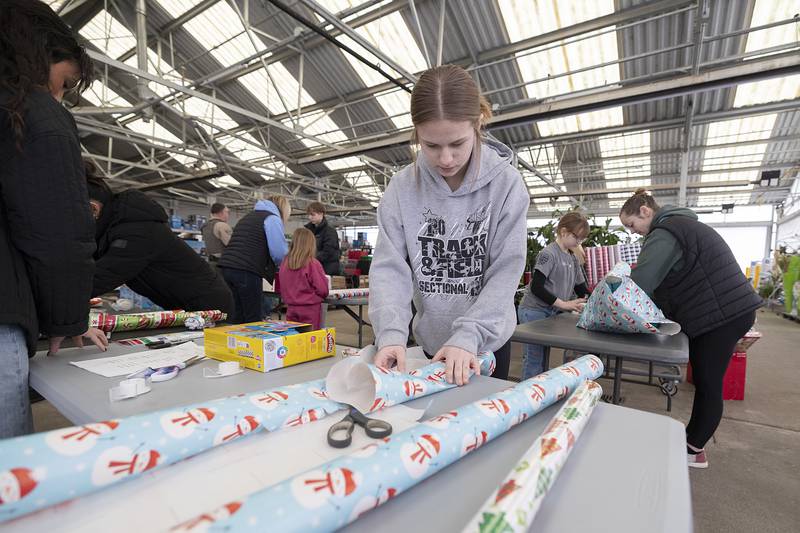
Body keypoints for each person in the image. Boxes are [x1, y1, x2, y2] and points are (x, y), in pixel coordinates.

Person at [369, 64, 530, 386]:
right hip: (429, 344)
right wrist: (390, 334)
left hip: (484, 346)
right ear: (417, 133)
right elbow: (390, 268)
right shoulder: (401, 188)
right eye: (430, 145)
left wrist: (470, 334)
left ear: (478, 123)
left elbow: (506, 269)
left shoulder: (507, 185)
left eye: (457, 143)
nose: (445, 159)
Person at [0, 1, 107, 437]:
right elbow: (57, 227)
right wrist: (67, 318)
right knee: (10, 470)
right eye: (64, 84)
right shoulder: (33, 110)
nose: (60, 97)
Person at [619, 189, 763, 469]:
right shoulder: (681, 225)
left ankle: (693, 449)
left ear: (645, 211)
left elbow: (642, 282)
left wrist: (612, 303)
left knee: (708, 383)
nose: (632, 231)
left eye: (631, 224)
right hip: (727, 311)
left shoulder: (666, 232)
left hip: (723, 315)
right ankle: (691, 440)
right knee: (706, 380)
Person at [85, 170, 234, 315]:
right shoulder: (116, 227)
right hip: (184, 302)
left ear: (94, 208)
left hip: (208, 305)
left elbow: (103, 276)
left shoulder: (137, 230)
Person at [517, 212, 591, 379]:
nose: (579, 242)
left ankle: (540, 388)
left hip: (551, 311)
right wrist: (564, 305)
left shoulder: (573, 258)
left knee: (544, 355)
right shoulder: (548, 254)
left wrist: (595, 300)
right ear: (563, 232)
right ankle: (528, 391)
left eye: (582, 239)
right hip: (534, 310)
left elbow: (581, 288)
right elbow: (536, 287)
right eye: (576, 237)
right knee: (534, 357)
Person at [218, 197, 290, 323]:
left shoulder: (248, 217)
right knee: (253, 317)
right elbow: (279, 252)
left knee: (236, 315)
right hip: (246, 270)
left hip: (226, 267)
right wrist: (287, 267)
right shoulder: (272, 218)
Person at [277, 228, 330, 329]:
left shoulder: (285, 263)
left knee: (294, 336)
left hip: (291, 308)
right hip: (310, 309)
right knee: (310, 337)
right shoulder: (312, 263)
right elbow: (323, 290)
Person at [305, 202, 340, 276]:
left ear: (321, 214)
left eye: (312, 215)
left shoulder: (330, 232)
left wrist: (309, 258)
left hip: (326, 270)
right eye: (309, 215)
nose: (310, 217)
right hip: (313, 268)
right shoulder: (309, 231)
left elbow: (328, 252)